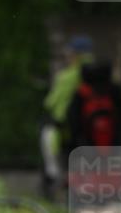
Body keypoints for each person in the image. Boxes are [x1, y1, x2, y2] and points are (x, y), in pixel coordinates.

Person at [39, 34, 94, 198]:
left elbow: (50, 103)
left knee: (47, 137)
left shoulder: (67, 76)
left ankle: (53, 176)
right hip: (92, 126)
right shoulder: (98, 74)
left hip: (66, 127)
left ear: (75, 55)